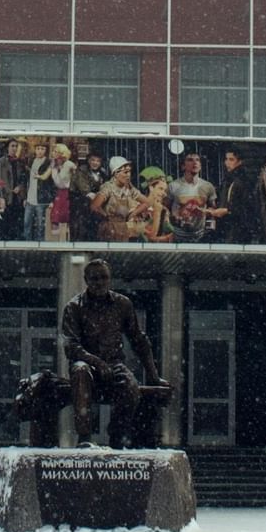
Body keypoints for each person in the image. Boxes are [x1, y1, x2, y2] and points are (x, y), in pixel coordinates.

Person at [59, 258, 160, 448]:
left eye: (104, 277)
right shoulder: (74, 307)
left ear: (110, 279)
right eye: (94, 278)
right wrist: (96, 362)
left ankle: (116, 434)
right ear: (86, 280)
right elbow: (71, 346)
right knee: (81, 371)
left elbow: (139, 340)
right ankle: (84, 437)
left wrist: (154, 376)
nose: (99, 282)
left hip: (114, 364)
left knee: (131, 387)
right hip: (85, 364)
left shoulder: (122, 304)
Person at [91, 156, 149, 241]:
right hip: (109, 229)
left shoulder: (129, 188)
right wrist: (106, 217)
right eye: (125, 172)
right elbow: (94, 206)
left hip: (123, 228)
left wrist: (133, 214)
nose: (128, 175)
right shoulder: (108, 188)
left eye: (129, 172)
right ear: (116, 173)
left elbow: (146, 202)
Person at [215, 148, 259, 244]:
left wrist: (228, 211)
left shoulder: (244, 181)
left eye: (231, 159)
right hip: (227, 227)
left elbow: (248, 207)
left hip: (239, 229)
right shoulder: (227, 180)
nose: (227, 163)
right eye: (226, 159)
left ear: (239, 162)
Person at [0, 138, 28, 240]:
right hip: (6, 197)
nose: (14, 148)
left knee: (17, 222)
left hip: (18, 197)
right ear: (7, 147)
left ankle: (15, 242)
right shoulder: (0, 162)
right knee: (5, 223)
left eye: (16, 146)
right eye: (12, 146)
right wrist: (3, 195)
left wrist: (20, 187)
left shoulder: (20, 162)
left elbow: (23, 179)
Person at [41, 142, 75, 241]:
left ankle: (65, 241)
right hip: (57, 193)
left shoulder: (69, 164)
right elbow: (50, 182)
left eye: (56, 151)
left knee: (66, 219)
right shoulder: (53, 164)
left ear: (61, 152)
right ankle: (55, 243)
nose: (53, 153)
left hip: (67, 193)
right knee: (55, 220)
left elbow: (74, 178)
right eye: (53, 151)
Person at [68, 150, 104, 242]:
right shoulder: (82, 170)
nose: (95, 163)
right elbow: (86, 190)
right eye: (93, 160)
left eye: (98, 161)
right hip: (80, 205)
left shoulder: (102, 173)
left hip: (93, 206)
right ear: (88, 160)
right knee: (80, 230)